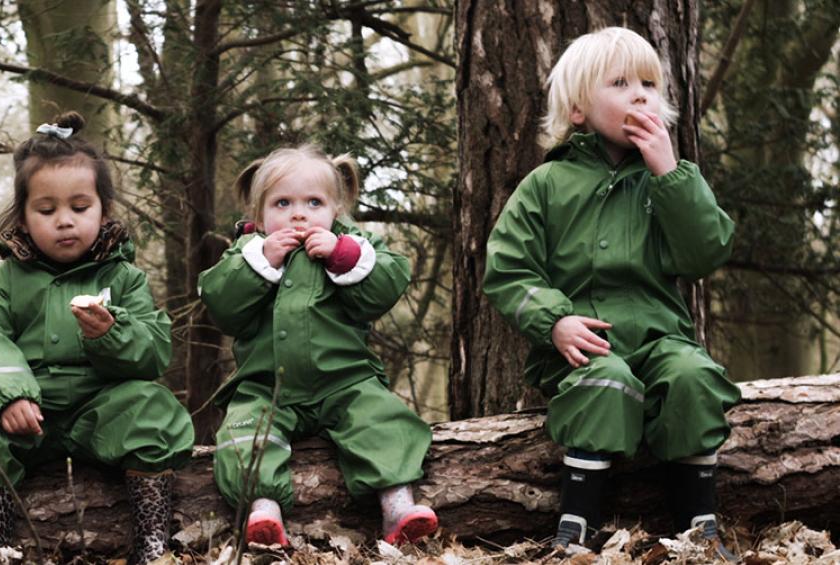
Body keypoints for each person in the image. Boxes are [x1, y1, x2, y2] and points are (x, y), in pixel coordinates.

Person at [483, 26, 740, 559]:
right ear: (578, 110)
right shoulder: (546, 185)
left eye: (649, 82)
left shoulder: (668, 179)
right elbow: (508, 270)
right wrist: (554, 321)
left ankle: (700, 526)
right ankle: (577, 526)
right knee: (606, 380)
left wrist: (670, 173)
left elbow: (704, 253)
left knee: (693, 378)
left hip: (660, 339)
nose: (641, 93)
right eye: (620, 82)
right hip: (585, 348)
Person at [0, 112, 194, 563]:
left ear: (103, 209)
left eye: (80, 208)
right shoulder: (8, 279)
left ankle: (153, 547)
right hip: (27, 417)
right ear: (22, 218)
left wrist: (112, 334)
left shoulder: (124, 277)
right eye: (47, 210)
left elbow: (155, 352)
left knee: (152, 407)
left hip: (100, 411)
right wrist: (9, 397)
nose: (64, 221)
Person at [199, 144, 437, 548]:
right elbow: (220, 304)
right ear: (259, 214)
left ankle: (397, 505)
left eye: (313, 202)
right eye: (282, 203)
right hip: (266, 387)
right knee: (244, 435)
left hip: (345, 380)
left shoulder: (352, 246)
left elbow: (388, 283)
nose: (298, 213)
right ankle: (263, 511)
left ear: (336, 209)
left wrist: (343, 257)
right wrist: (261, 264)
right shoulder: (248, 252)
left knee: (382, 420)